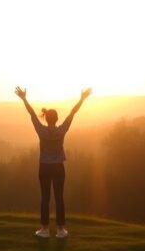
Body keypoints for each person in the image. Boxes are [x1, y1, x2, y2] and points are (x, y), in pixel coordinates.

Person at [15, 86, 92, 238]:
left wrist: (24, 98)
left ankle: (44, 230)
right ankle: (60, 230)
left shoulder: (41, 130)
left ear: (46, 118)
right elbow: (72, 113)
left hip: (44, 167)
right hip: (58, 167)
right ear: (56, 119)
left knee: (45, 197)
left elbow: (31, 113)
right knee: (59, 198)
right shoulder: (62, 130)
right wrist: (82, 98)